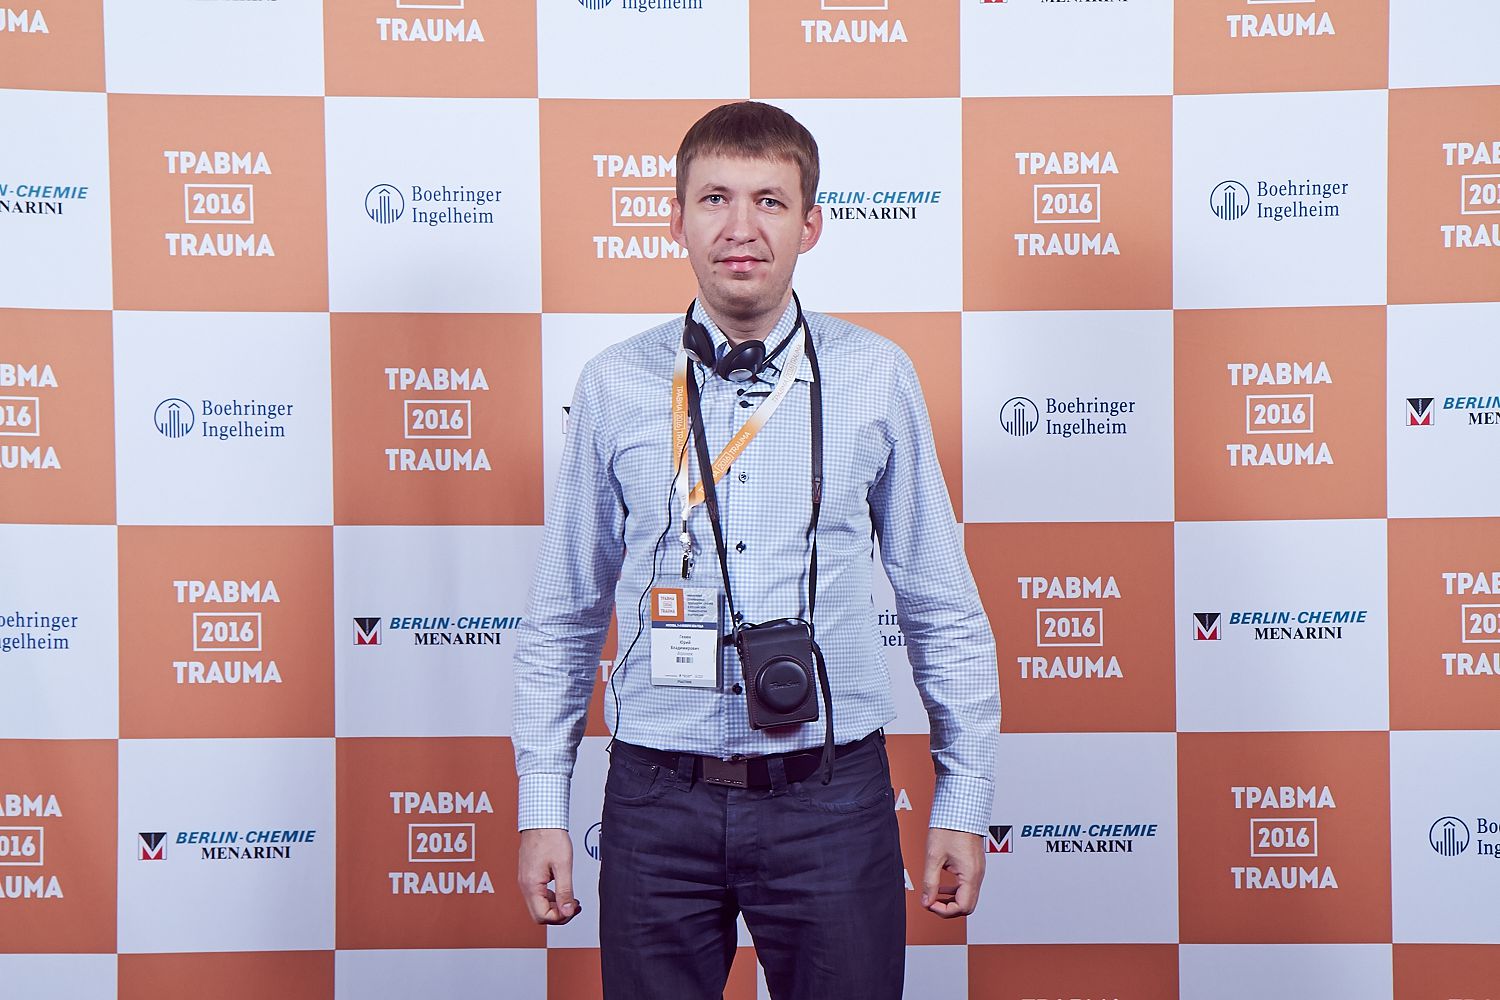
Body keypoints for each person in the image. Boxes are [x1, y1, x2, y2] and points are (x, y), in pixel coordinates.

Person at [513, 101, 999, 999]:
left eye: (770, 200)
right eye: (715, 199)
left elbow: (942, 606)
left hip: (831, 800)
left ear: (810, 225)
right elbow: (564, 614)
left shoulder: (876, 375)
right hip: (656, 803)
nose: (741, 228)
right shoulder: (614, 383)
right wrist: (543, 806)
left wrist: (964, 800)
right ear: (676, 220)